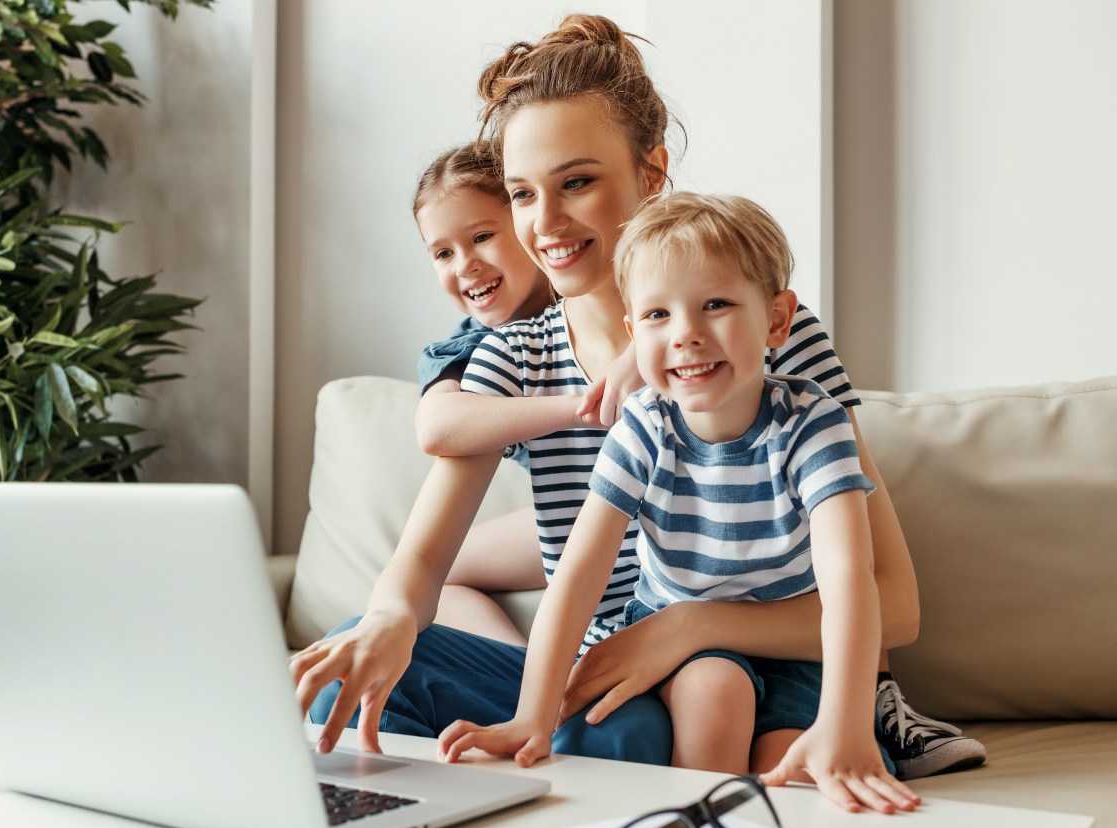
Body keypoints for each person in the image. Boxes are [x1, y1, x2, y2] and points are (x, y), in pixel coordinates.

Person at [292, 13, 980, 781]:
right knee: (351, 675)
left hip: (736, 673)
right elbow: (423, 559)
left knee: (636, 736)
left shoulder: (767, 340)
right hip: (599, 671)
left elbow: (896, 601)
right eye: (522, 194)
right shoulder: (515, 355)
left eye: (577, 182)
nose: (545, 225)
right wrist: (388, 617)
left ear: (651, 174)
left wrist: (685, 627)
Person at [438, 192, 920, 813]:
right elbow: (578, 574)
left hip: (796, 653)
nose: (688, 335)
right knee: (716, 692)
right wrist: (532, 714)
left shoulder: (813, 423)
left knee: (800, 780)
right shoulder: (643, 426)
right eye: (659, 315)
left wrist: (846, 723)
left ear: (777, 320)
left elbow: (849, 579)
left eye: (716, 305)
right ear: (635, 336)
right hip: (685, 643)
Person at [410, 142, 553, 647]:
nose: (465, 264)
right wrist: (580, 410)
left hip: (660, 504)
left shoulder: (596, 303)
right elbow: (437, 427)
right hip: (571, 512)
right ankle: (525, 678)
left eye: (483, 236)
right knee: (443, 568)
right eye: (443, 253)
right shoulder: (469, 347)